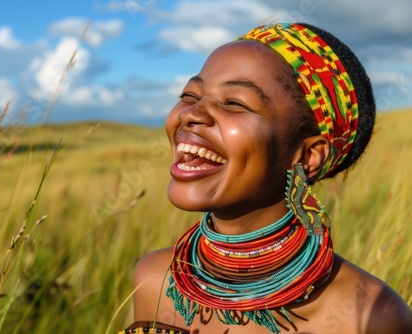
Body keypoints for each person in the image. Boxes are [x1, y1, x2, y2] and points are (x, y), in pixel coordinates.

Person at [120, 22, 412, 334]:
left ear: (308, 157)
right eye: (190, 95)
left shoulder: (369, 315)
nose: (189, 114)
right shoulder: (155, 279)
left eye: (234, 102)